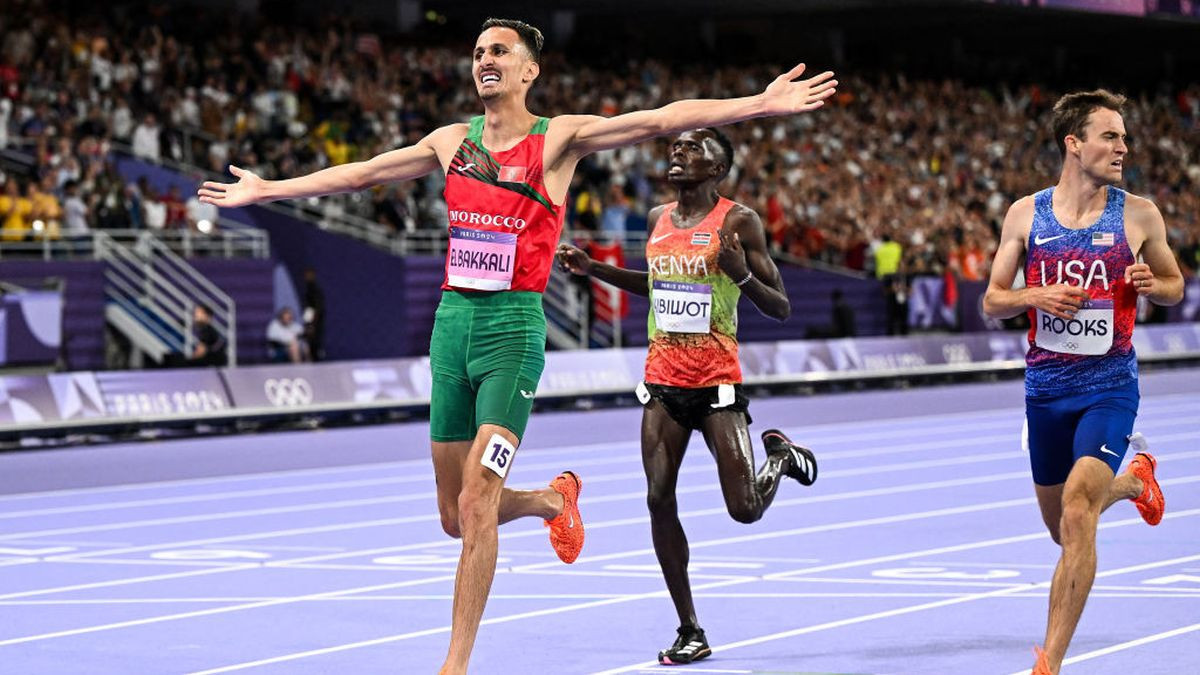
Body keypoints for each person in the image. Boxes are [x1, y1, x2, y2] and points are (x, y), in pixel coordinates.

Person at [197, 18, 836, 673]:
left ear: (529, 70)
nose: (484, 60)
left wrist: (758, 103)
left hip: (512, 334)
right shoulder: (452, 141)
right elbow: (364, 175)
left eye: (499, 51)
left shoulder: (556, 139)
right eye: (478, 53)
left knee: (477, 503)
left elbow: (659, 117)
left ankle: (454, 664)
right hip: (452, 332)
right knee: (454, 513)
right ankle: (552, 500)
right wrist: (268, 189)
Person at [556, 128, 819, 665]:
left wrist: (740, 273)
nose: (678, 153)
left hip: (716, 382)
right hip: (662, 381)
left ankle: (779, 458)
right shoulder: (656, 220)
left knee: (744, 509)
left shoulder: (739, 221)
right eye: (675, 147)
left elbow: (782, 307)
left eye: (693, 148)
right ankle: (689, 628)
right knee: (657, 499)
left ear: (718, 168)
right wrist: (595, 270)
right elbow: (655, 285)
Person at [982, 89, 1182, 675]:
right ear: (1074, 144)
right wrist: (1032, 295)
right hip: (1045, 391)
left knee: (1076, 511)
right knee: (1063, 530)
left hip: (1109, 385)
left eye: (1123, 137)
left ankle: (1050, 663)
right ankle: (1136, 482)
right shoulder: (1026, 213)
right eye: (1110, 136)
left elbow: (1175, 284)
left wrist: (1154, 284)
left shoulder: (1138, 213)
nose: (1123, 146)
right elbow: (993, 300)